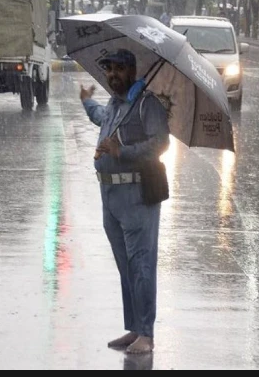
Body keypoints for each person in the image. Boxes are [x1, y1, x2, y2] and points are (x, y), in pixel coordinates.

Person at [79, 49, 170, 355]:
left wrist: (123, 152)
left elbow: (161, 143)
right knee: (125, 266)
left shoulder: (146, 103)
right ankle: (133, 327)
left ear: (132, 71)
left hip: (136, 196)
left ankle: (146, 333)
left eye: (119, 69)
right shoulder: (116, 104)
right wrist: (86, 101)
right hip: (110, 197)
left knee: (141, 265)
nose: (113, 74)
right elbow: (100, 118)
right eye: (109, 69)